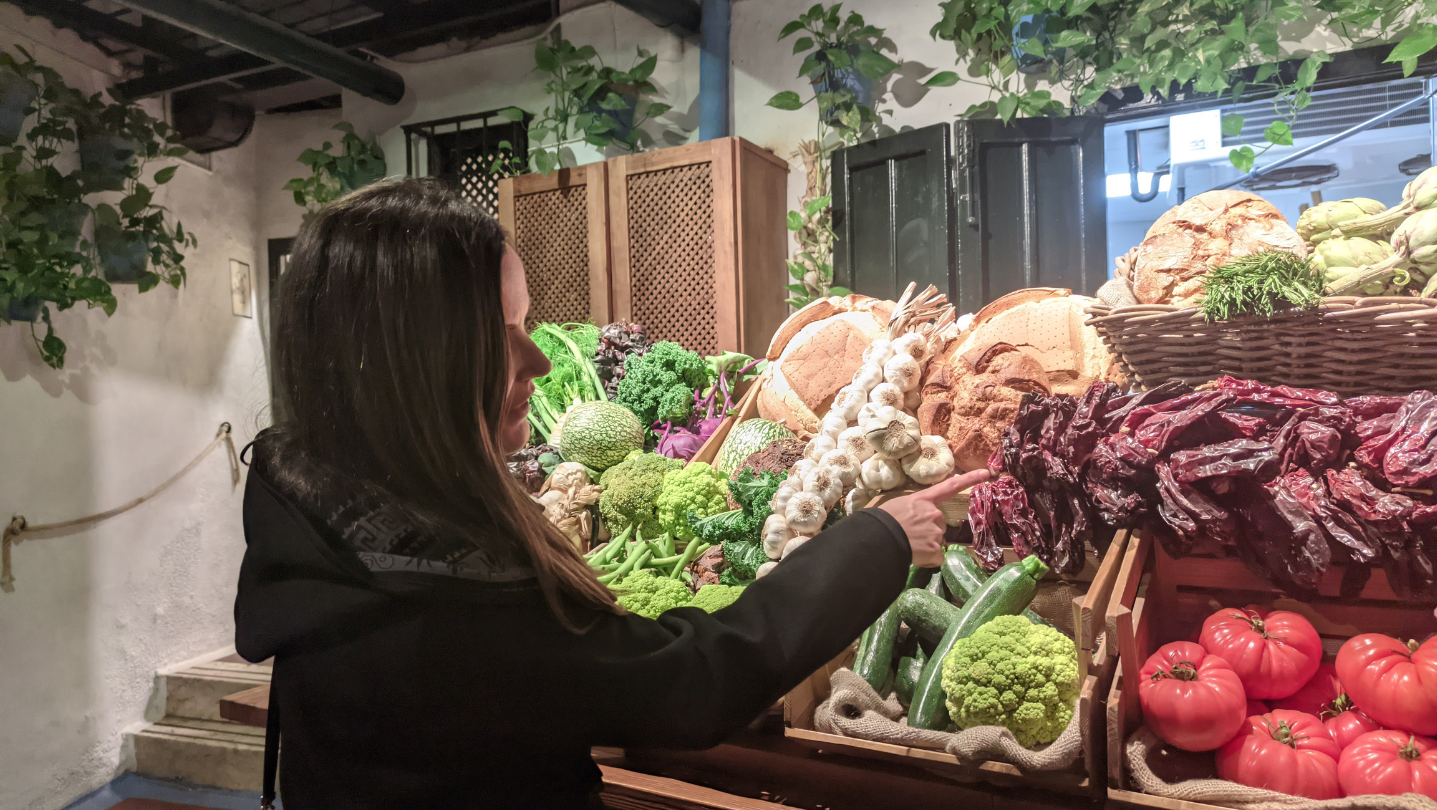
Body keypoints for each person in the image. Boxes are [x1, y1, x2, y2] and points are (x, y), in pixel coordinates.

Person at [235, 177, 990, 809]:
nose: (537, 359)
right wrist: (881, 538)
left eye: (527, 322)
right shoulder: (439, 598)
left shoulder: (321, 520)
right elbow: (688, 683)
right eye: (500, 333)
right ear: (412, 365)